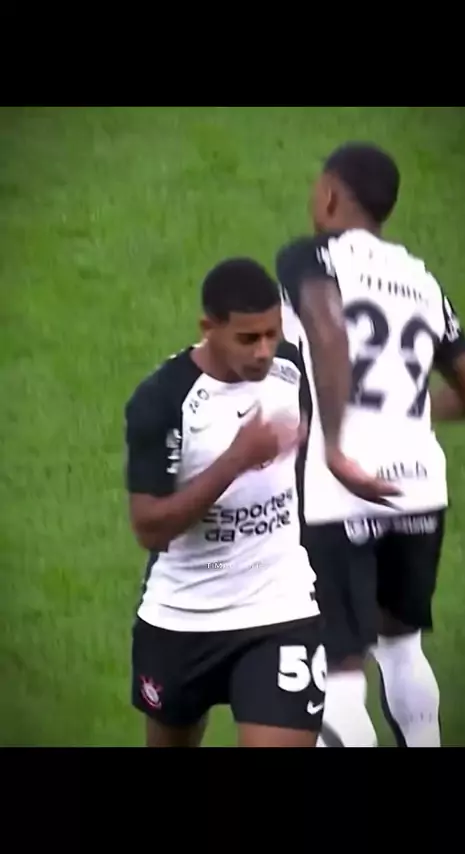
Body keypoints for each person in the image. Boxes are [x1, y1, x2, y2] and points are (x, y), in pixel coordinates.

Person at [275, 142, 465, 747]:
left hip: (340, 491)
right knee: (402, 646)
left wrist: (337, 445)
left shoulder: (311, 256)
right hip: (418, 488)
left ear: (329, 195)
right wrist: (407, 414)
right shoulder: (422, 279)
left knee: (338, 669)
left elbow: (328, 330)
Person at [124, 257, 327, 748]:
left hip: (278, 607)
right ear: (208, 328)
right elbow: (149, 528)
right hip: (181, 616)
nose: (263, 351)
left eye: (272, 334)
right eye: (247, 338)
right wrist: (235, 461)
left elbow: (304, 441)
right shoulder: (162, 400)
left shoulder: (291, 369)